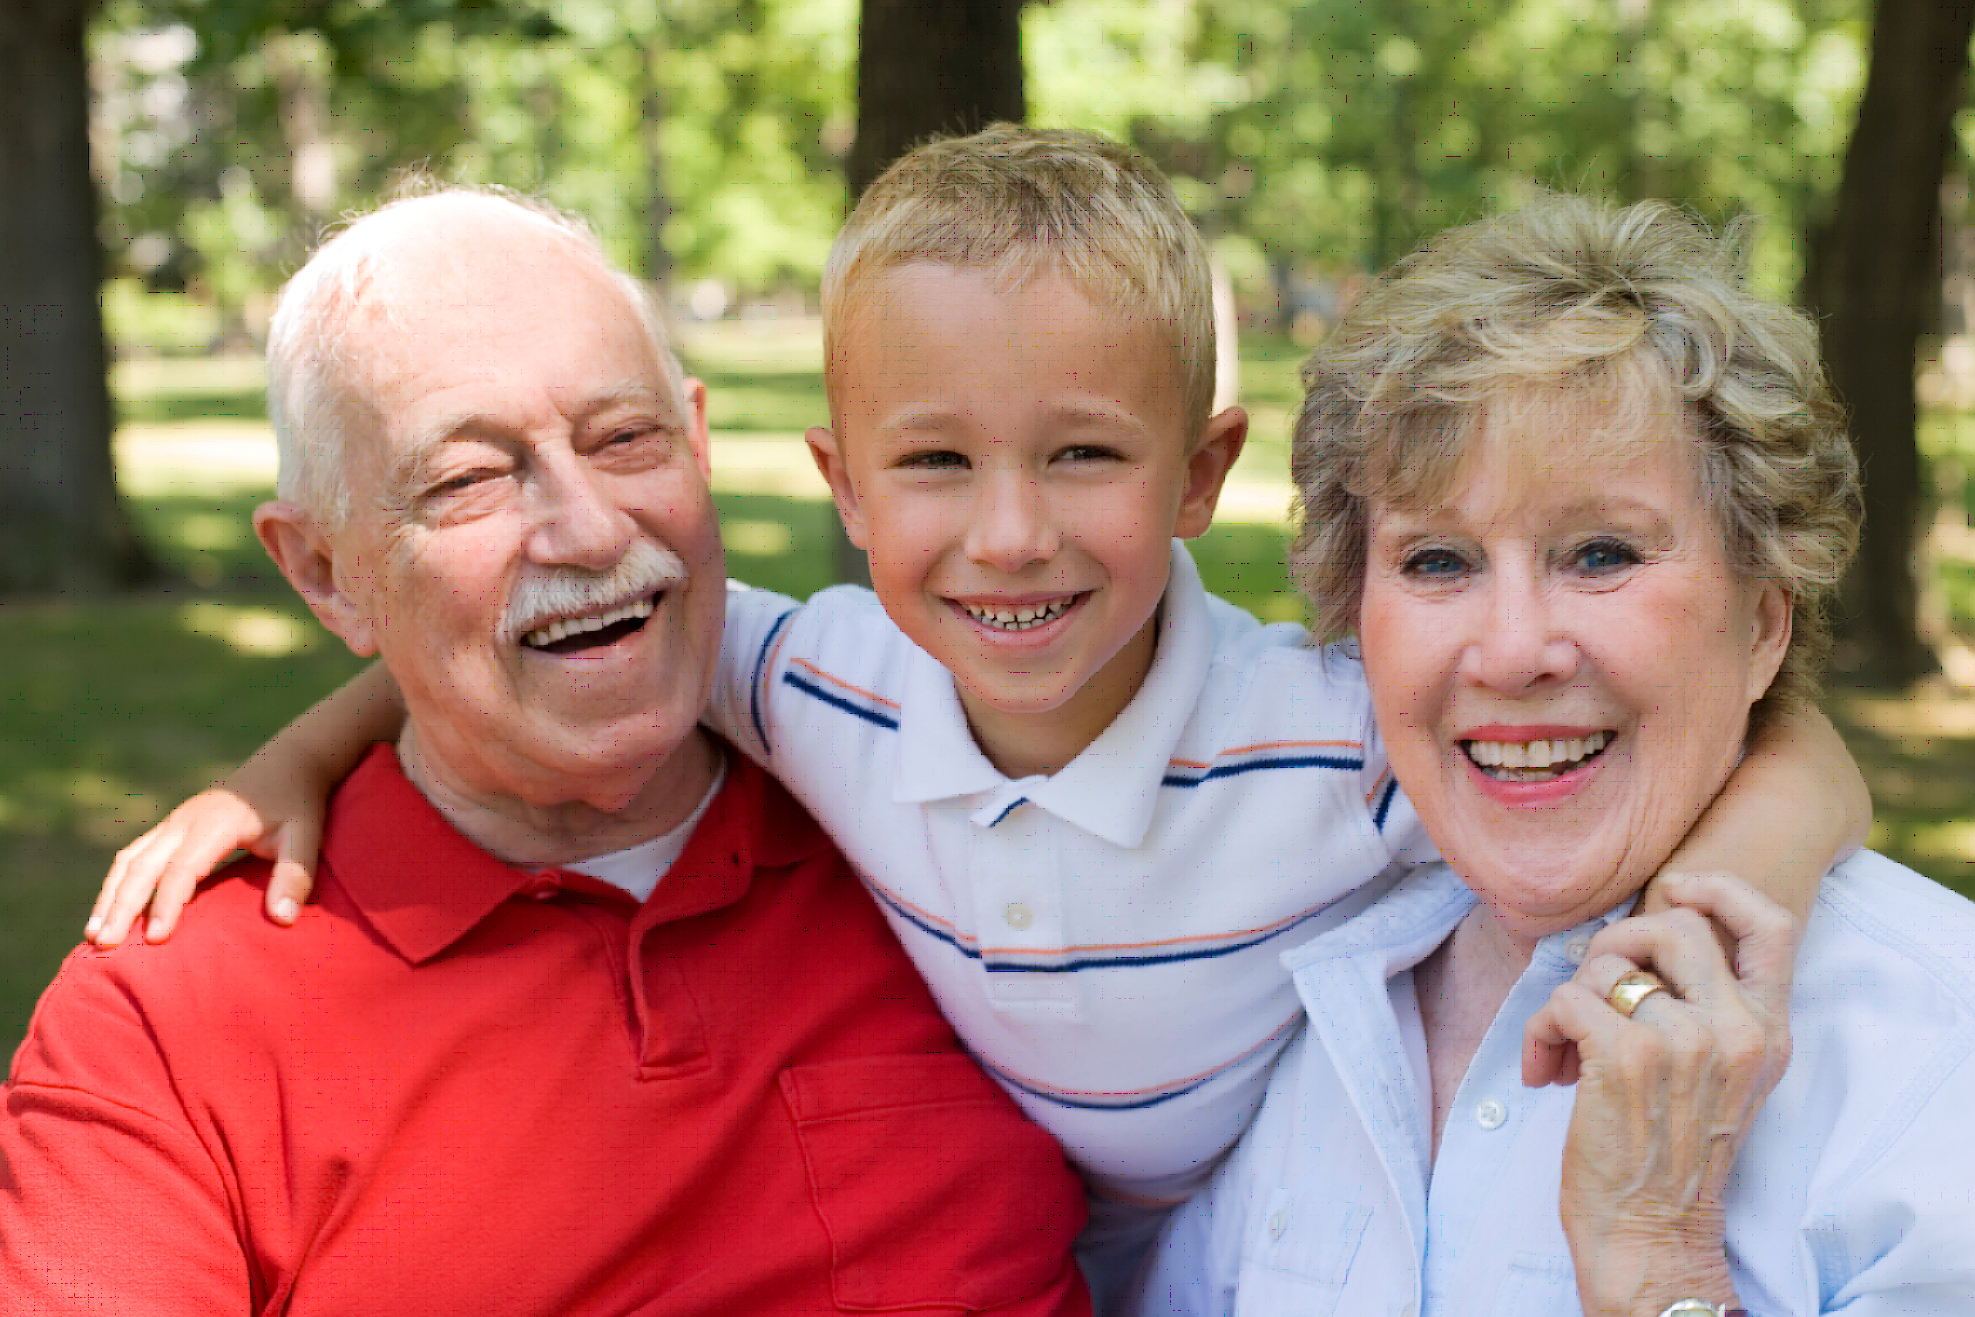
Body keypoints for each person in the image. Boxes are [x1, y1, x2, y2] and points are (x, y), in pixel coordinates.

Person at [85, 132, 1866, 1296]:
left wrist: (1741, 904)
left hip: (1235, 1240)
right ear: (842, 488)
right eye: (935, 464)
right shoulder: (819, 684)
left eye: (1083, 455)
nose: (1009, 533)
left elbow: (1737, 723)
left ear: (1200, 475)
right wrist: (287, 760)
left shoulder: (1331, 739)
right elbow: (512, 630)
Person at [0, 187, 1096, 1315]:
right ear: (325, 572)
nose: (591, 529)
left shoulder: (954, 814)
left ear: (700, 443)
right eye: (467, 478)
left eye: (626, 439)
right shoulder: (165, 1025)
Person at [1129, 194, 1975, 1315]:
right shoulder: (1312, 1000)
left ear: (1764, 622)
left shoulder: (1930, 1061)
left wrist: (1656, 1258)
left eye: (1600, 552)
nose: (1513, 649)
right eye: (1436, 562)